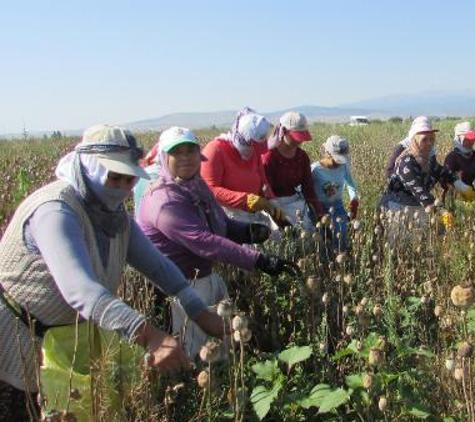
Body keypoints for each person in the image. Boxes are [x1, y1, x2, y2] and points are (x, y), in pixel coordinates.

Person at [0, 125, 226, 419]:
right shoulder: (55, 210)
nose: (120, 187)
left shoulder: (113, 213)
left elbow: (158, 266)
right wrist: (149, 336)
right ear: (88, 168)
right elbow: (81, 290)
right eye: (113, 177)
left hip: (61, 339)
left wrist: (199, 311)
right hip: (14, 335)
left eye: (128, 179)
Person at [137, 127, 299, 358]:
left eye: (190, 151)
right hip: (181, 286)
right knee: (197, 351)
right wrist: (259, 260)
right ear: (164, 157)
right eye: (177, 152)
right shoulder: (164, 200)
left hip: (203, 276)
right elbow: (204, 241)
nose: (185, 157)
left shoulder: (195, 184)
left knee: (221, 344)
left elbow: (219, 222)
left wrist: (247, 231)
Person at [380, 117, 471, 235]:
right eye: (424, 140)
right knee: (402, 245)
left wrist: (463, 187)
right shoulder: (406, 162)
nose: (429, 143)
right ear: (415, 141)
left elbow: (442, 171)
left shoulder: (427, 159)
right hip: (397, 209)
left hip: (417, 207)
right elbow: (419, 191)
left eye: (431, 139)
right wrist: (442, 212)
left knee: (419, 241)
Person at [200, 107, 287, 231]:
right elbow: (209, 189)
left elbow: (263, 181)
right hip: (226, 215)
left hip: (252, 212)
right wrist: (246, 199)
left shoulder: (253, 152)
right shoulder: (215, 150)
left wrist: (273, 202)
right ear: (246, 140)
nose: (258, 149)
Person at [262, 112, 324, 231]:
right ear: (283, 132)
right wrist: (278, 217)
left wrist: (319, 212)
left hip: (295, 204)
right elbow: (265, 191)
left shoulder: (302, 157)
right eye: (296, 136)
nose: (300, 141)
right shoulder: (269, 157)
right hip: (273, 206)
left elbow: (308, 187)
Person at [311, 135, 359, 250]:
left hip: (337, 207)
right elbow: (306, 191)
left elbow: (351, 185)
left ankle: (341, 262)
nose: (339, 162)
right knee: (320, 240)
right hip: (318, 209)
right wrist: (317, 211)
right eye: (337, 158)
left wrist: (354, 200)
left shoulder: (344, 167)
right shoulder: (314, 170)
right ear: (328, 153)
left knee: (341, 238)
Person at [443, 121, 475, 201]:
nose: (471, 141)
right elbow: (445, 181)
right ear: (459, 139)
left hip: (474, 197)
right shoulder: (452, 158)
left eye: (473, 138)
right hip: (457, 201)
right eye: (468, 139)